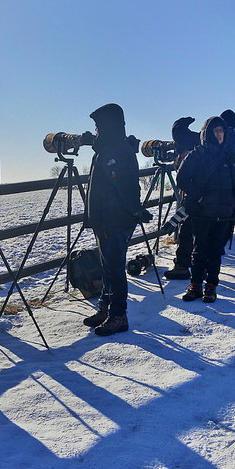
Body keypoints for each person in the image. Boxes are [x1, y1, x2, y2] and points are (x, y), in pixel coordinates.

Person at [83, 103, 149, 336]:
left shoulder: (115, 152)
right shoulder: (109, 149)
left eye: (98, 126)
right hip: (107, 220)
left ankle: (118, 316)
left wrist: (134, 211)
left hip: (114, 220)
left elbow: (125, 187)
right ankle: (106, 308)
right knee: (107, 267)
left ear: (107, 125)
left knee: (114, 269)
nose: (96, 130)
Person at [177, 116, 235, 303]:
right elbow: (182, 178)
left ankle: (211, 286)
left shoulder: (230, 156)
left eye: (221, 131)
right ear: (207, 133)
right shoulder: (197, 154)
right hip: (202, 212)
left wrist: (234, 201)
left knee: (216, 251)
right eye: (215, 131)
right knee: (199, 250)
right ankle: (195, 285)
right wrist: (199, 196)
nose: (219, 134)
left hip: (224, 213)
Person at [163, 116, 200, 281]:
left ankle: (183, 266)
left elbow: (189, 199)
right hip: (203, 200)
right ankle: (190, 265)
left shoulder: (195, 153)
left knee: (187, 230)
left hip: (196, 199)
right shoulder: (205, 145)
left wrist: (173, 222)